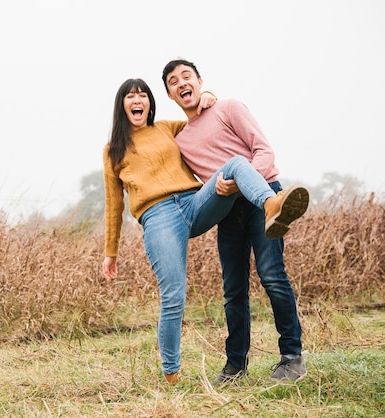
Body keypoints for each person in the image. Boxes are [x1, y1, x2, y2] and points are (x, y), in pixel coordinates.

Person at [102, 78, 309, 385]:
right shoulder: (113, 151)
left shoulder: (166, 129)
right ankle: (171, 375)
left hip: (193, 202)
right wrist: (110, 253)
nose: (138, 100)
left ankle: (271, 204)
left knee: (235, 162)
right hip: (157, 217)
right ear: (122, 105)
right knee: (173, 296)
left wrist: (209, 96)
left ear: (150, 102)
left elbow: (198, 118)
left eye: (143, 95)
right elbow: (113, 204)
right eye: (131, 96)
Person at [161, 58, 309, 384]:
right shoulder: (180, 141)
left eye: (187, 76)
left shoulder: (228, 107)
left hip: (263, 198)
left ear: (200, 81)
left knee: (271, 275)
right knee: (233, 291)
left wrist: (246, 180)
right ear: (170, 95)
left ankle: (292, 358)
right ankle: (235, 367)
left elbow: (264, 150)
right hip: (228, 212)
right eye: (173, 81)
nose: (182, 82)